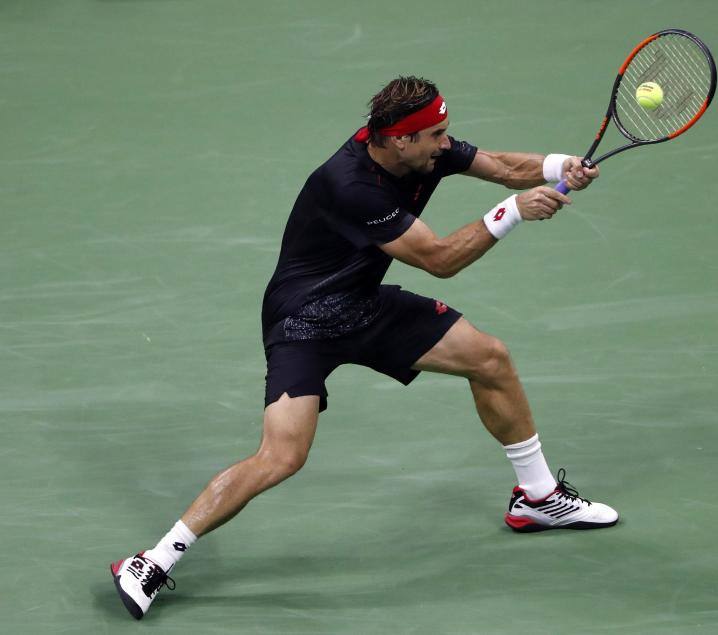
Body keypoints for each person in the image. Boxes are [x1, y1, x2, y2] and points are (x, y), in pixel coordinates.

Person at [110, 76, 618, 620]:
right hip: (304, 319)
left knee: (489, 358)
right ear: (400, 140)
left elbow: (497, 164)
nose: (448, 143)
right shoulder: (349, 184)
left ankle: (537, 499)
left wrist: (557, 168)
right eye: (437, 135)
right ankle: (153, 561)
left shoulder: (424, 152)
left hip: (364, 304)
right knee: (282, 456)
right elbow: (440, 259)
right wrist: (513, 212)